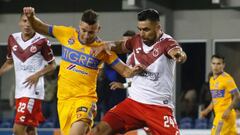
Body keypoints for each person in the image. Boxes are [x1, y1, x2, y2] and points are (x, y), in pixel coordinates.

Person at [23, 7, 145, 135]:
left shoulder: (102, 49)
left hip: (85, 99)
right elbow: (40, 27)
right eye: (84, 30)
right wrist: (31, 17)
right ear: (79, 26)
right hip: (64, 100)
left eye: (91, 32)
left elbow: (125, 71)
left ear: (98, 29)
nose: (86, 36)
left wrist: (137, 69)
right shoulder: (67, 33)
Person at [91, 8, 187, 135]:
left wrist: (179, 55)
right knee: (98, 131)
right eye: (140, 29)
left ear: (158, 27)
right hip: (133, 104)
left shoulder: (167, 43)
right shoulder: (136, 40)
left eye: (146, 29)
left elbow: (177, 51)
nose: (142, 33)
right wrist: (106, 45)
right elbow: (121, 46)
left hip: (158, 107)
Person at [0, 13, 56, 135]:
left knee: (17, 129)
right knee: (30, 130)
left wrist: (37, 74)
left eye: (30, 22)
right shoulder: (12, 39)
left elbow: (53, 65)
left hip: (33, 92)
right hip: (19, 92)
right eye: (24, 21)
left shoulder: (42, 41)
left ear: (35, 24)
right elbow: (10, 62)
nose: (27, 25)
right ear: (20, 22)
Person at [96, 30, 136, 119]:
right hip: (114, 92)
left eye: (129, 42)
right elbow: (109, 74)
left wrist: (123, 84)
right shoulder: (115, 56)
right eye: (125, 42)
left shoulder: (141, 57)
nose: (127, 45)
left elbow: (140, 81)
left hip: (135, 95)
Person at [200, 54, 240, 135]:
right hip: (219, 115)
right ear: (211, 64)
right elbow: (214, 99)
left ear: (223, 65)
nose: (216, 66)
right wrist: (206, 111)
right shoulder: (212, 80)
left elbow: (237, 95)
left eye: (218, 64)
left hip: (225, 115)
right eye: (214, 63)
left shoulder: (227, 79)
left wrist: (228, 110)